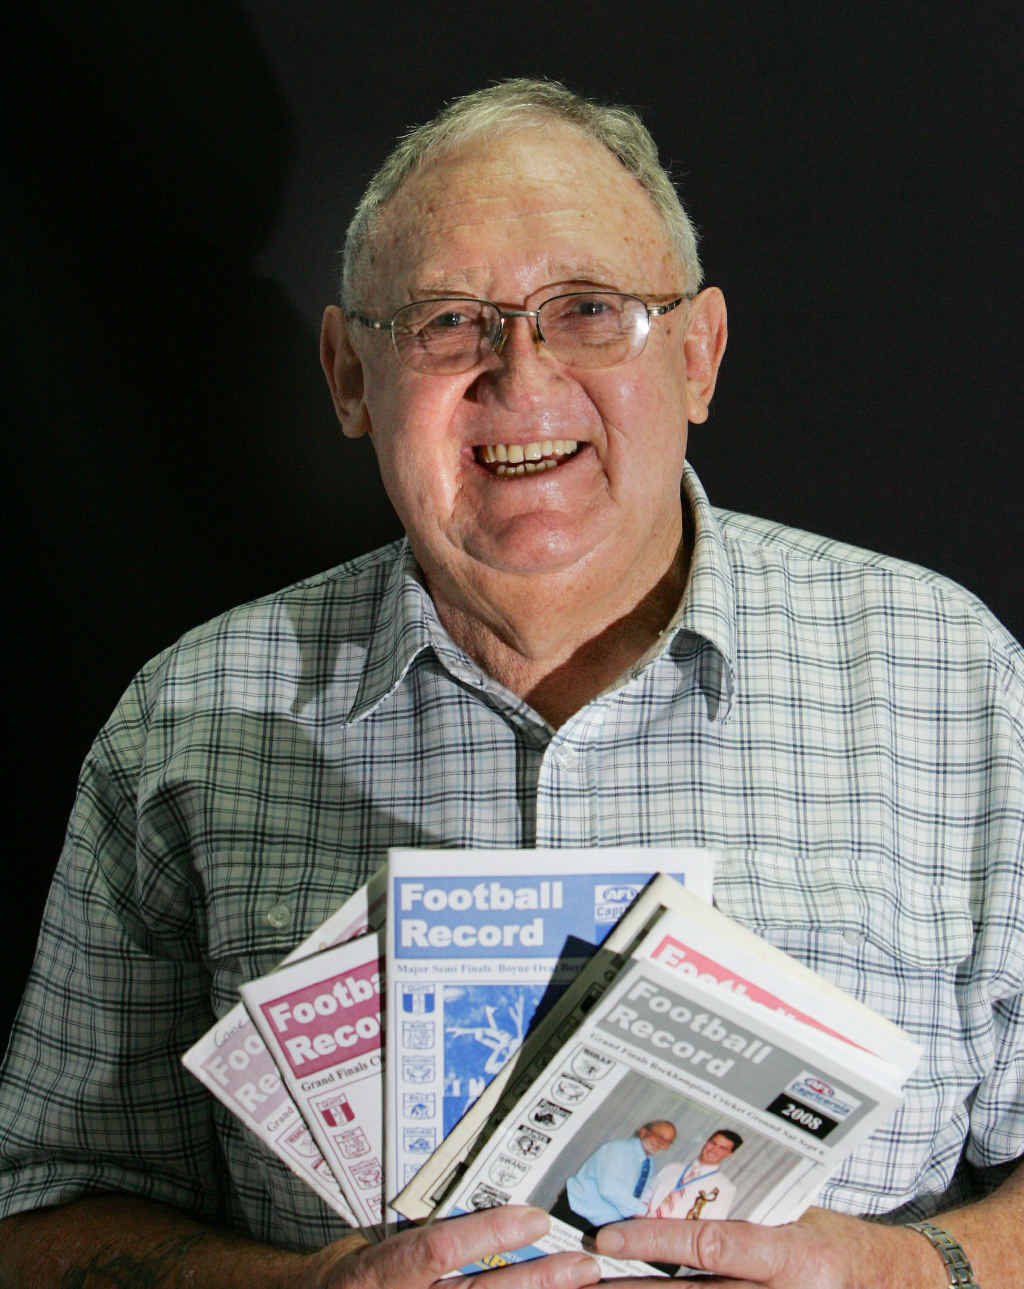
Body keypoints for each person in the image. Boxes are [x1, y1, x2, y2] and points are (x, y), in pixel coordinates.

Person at [0, 76, 1022, 1289]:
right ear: (344, 375)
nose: (518, 377)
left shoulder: (952, 684)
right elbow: (38, 1216)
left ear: (698, 356)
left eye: (588, 308)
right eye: (445, 321)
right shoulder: (186, 727)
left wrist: (906, 1272)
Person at [563, 1121, 677, 1227]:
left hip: (602, 1222)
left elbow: (641, 1195)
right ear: (643, 1132)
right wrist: (646, 1212)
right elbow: (609, 1189)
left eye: (667, 1142)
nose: (661, 1143)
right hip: (576, 1213)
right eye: (659, 1136)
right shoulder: (618, 1149)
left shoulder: (650, 1165)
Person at [646, 1130, 742, 1221]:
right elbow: (647, 1194)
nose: (713, 1150)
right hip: (642, 1224)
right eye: (713, 1143)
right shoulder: (672, 1168)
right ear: (706, 1142)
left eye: (722, 1148)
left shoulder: (725, 1188)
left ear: (729, 1154)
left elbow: (713, 1222)